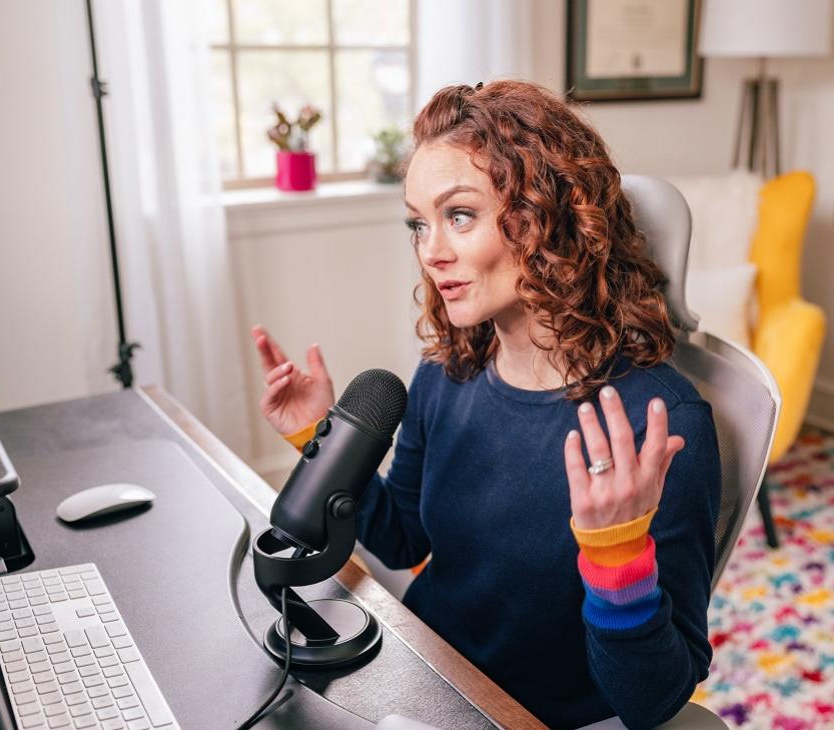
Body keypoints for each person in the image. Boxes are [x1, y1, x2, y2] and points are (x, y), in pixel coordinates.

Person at [250, 79, 721, 730]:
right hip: (421, 675)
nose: (431, 251)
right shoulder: (450, 370)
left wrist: (618, 557)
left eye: (459, 215)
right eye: (420, 223)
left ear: (543, 218)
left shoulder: (657, 423)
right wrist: (322, 441)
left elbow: (652, 702)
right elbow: (402, 534)